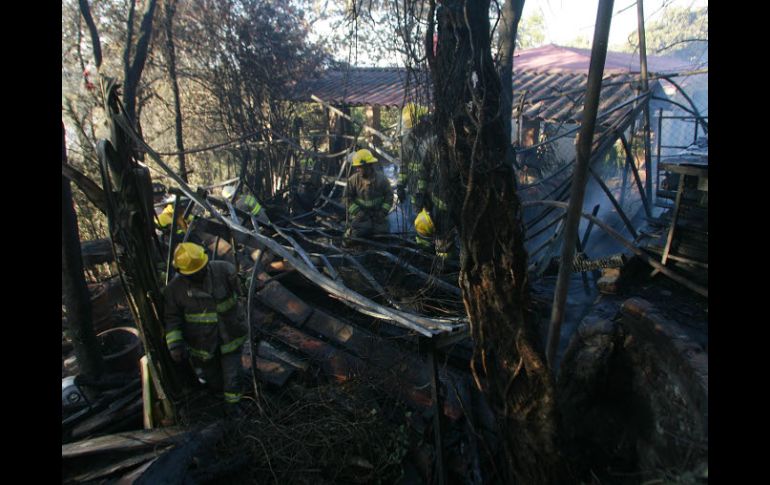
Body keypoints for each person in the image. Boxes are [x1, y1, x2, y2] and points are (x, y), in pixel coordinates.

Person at [163, 242, 247, 413]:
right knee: (214, 380)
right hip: (203, 346)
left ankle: (234, 410)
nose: (199, 274)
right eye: (194, 273)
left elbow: (243, 289)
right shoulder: (174, 290)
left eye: (201, 269)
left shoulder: (223, 270)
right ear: (181, 272)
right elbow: (172, 318)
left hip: (230, 336)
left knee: (233, 377)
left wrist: (247, 282)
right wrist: (175, 345)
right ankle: (218, 401)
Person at [343, 148, 394, 241]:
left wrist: (382, 212)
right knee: (356, 236)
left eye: (360, 167)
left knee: (383, 236)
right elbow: (346, 198)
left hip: (378, 216)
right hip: (361, 217)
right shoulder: (353, 180)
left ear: (368, 166)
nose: (357, 169)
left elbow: (389, 196)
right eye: (357, 167)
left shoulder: (382, 179)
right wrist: (357, 212)